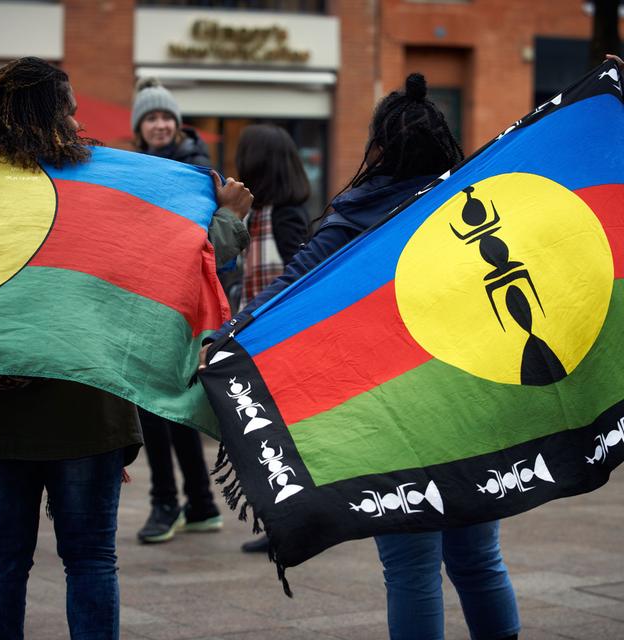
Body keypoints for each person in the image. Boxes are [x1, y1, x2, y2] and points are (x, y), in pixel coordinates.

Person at [201, 73, 520, 640]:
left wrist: (224, 338)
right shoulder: (473, 205)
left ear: (379, 148)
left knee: (410, 569)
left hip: (396, 419)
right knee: (477, 559)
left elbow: (291, 290)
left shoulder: (357, 214)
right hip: (473, 408)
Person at [0, 57, 251, 640]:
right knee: (89, 560)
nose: (78, 117)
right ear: (52, 113)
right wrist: (228, 220)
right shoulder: (103, 185)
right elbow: (187, 266)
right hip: (88, 414)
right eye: (69, 106)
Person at [131, 79, 250, 543]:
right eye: (151, 117)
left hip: (178, 299)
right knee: (172, 403)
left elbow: (204, 239)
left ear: (176, 124)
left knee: (154, 404)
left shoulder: (197, 171)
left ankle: (167, 504)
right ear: (140, 126)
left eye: (165, 117)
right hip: (155, 293)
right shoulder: (140, 166)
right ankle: (198, 504)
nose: (159, 124)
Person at [233, 124, 311, 552]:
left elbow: (298, 277)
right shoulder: (259, 213)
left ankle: (291, 523)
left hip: (282, 345)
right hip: (260, 343)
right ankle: (283, 522)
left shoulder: (287, 215)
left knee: (281, 438)